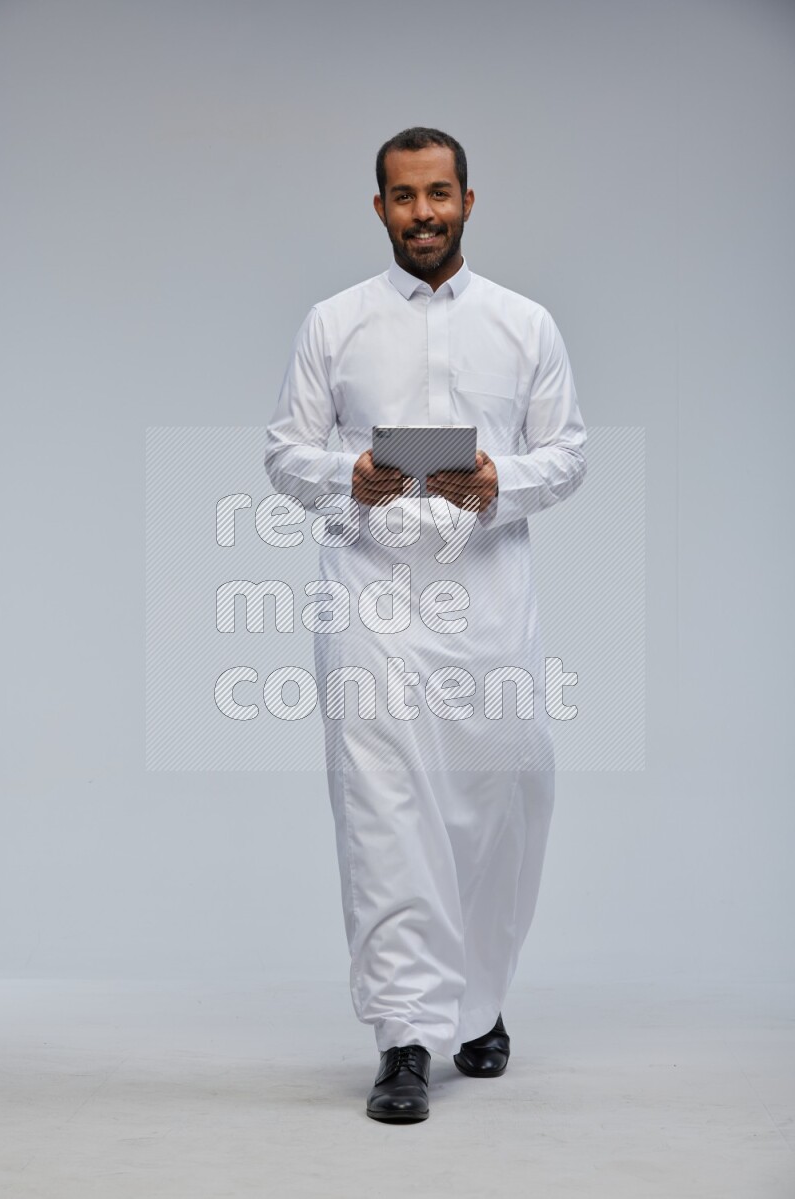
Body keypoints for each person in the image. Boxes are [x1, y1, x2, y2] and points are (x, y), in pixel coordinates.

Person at [264, 126, 587, 1123]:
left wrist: (497, 479)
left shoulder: (524, 324)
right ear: (379, 208)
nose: (422, 213)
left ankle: (476, 1001)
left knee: (503, 799)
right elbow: (285, 452)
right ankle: (404, 1035)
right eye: (403, 196)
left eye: (438, 193)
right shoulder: (334, 323)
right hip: (370, 597)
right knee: (383, 810)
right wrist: (349, 474)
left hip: (489, 601)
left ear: (467, 200)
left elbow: (567, 453)